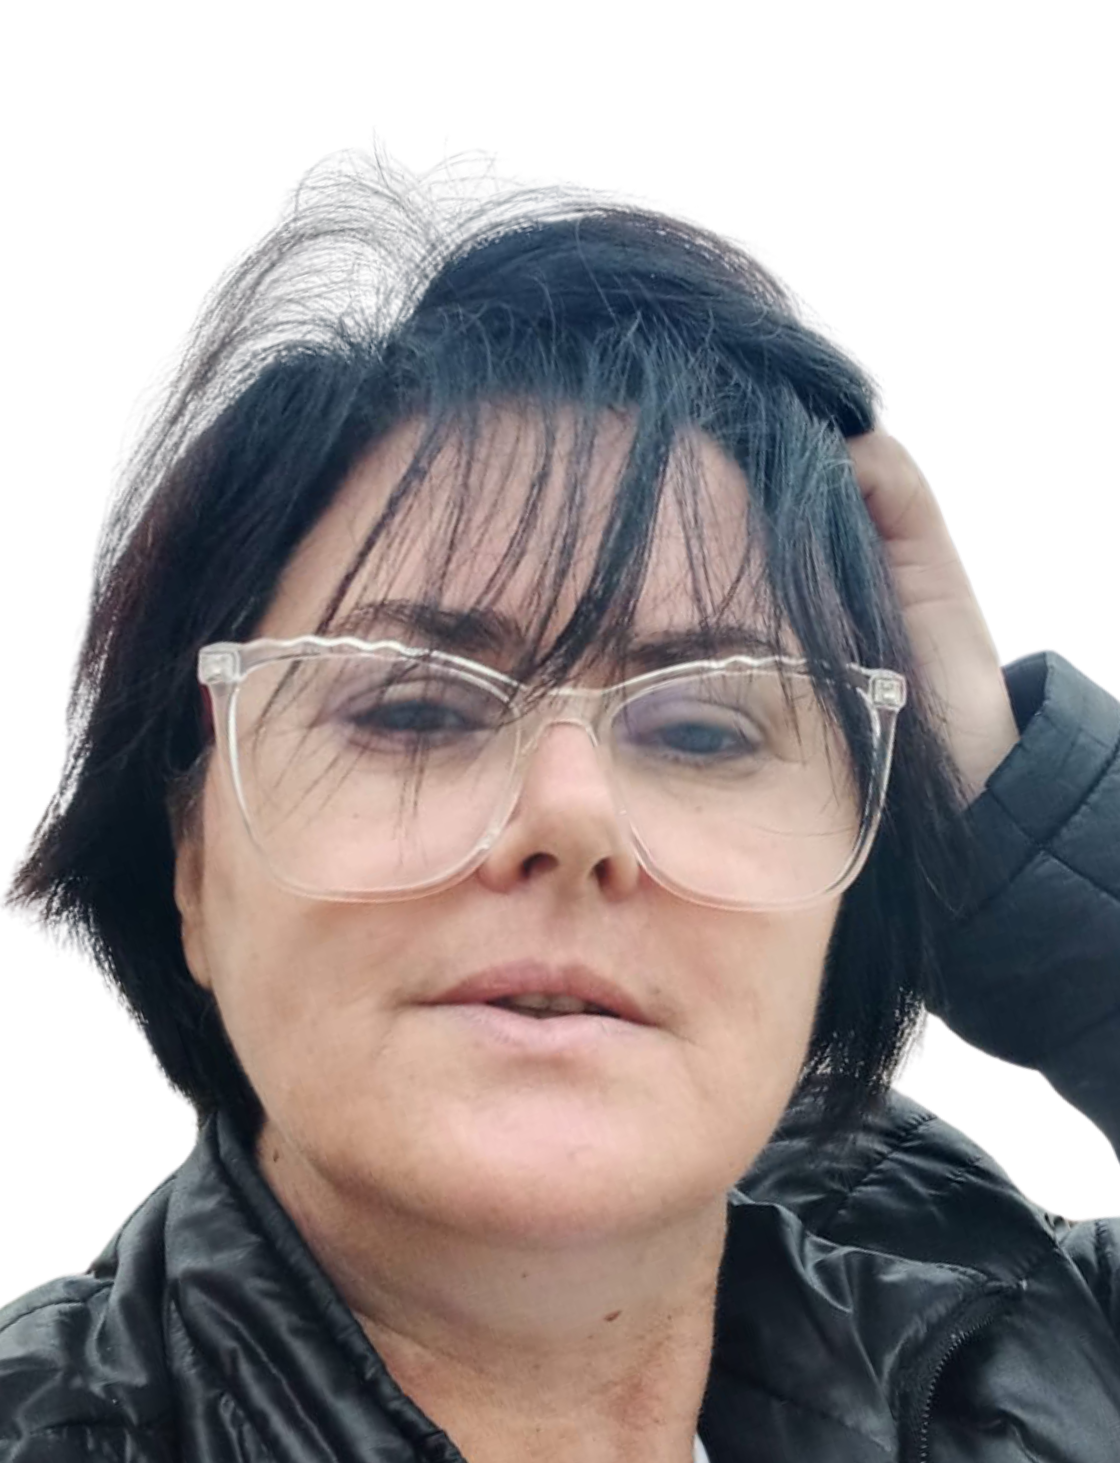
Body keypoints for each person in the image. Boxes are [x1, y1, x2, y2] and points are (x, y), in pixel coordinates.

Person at [1, 158, 1118, 1462]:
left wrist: (1001, 797)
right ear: (192, 870)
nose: (574, 815)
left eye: (704, 728)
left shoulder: (1045, 1353)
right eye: (414, 710)